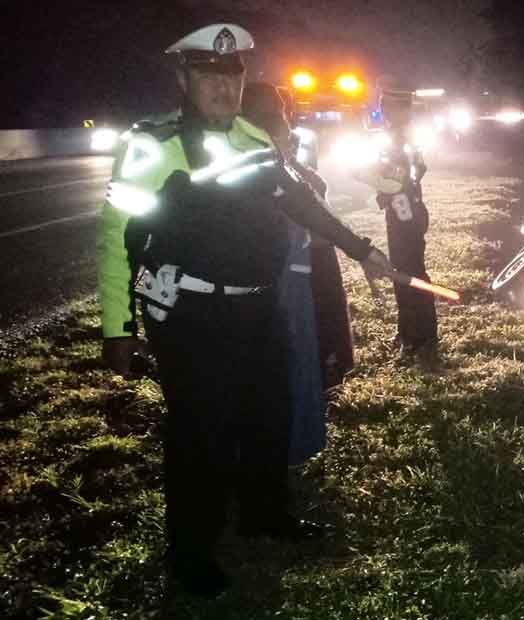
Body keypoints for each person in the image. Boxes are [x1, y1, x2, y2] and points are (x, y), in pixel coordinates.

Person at [96, 23, 393, 597]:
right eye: (209, 74)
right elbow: (115, 237)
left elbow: (301, 202)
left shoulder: (256, 140)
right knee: (200, 433)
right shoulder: (153, 147)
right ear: (183, 78)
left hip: (258, 308)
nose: (223, 87)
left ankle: (265, 514)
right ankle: (191, 552)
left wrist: (363, 250)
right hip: (189, 314)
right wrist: (118, 327)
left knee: (268, 413)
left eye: (232, 75)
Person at [241, 82, 353, 465]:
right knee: (293, 359)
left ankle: (289, 442)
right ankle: (286, 445)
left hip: (303, 271)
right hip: (287, 277)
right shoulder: (259, 169)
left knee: (303, 356)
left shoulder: (291, 167)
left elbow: (315, 214)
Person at [356, 84, 438, 355]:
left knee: (407, 273)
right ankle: (414, 330)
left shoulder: (400, 138)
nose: (384, 110)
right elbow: (417, 171)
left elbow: (397, 179)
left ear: (402, 108)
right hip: (406, 209)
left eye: (389, 105)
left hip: (405, 213)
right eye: (383, 105)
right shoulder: (402, 136)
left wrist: (363, 176)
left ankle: (416, 335)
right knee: (408, 270)